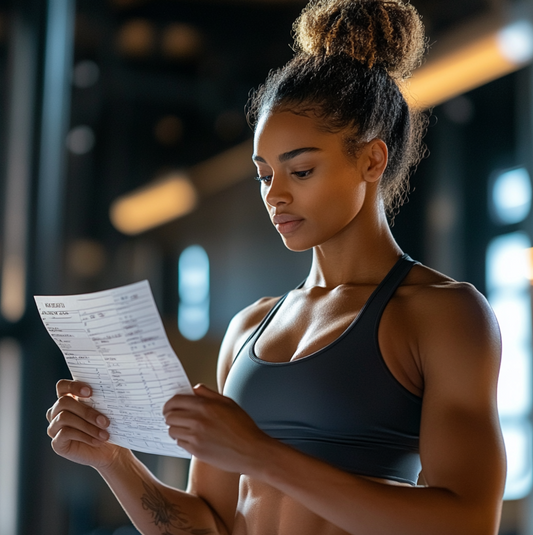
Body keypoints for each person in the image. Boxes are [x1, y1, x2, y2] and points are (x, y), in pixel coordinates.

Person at [46, 0, 506, 533]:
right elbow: (208, 525)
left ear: (372, 160)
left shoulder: (443, 314)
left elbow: (471, 522)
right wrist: (113, 459)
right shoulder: (247, 328)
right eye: (265, 175)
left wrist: (260, 454)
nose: (276, 196)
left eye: (301, 170)